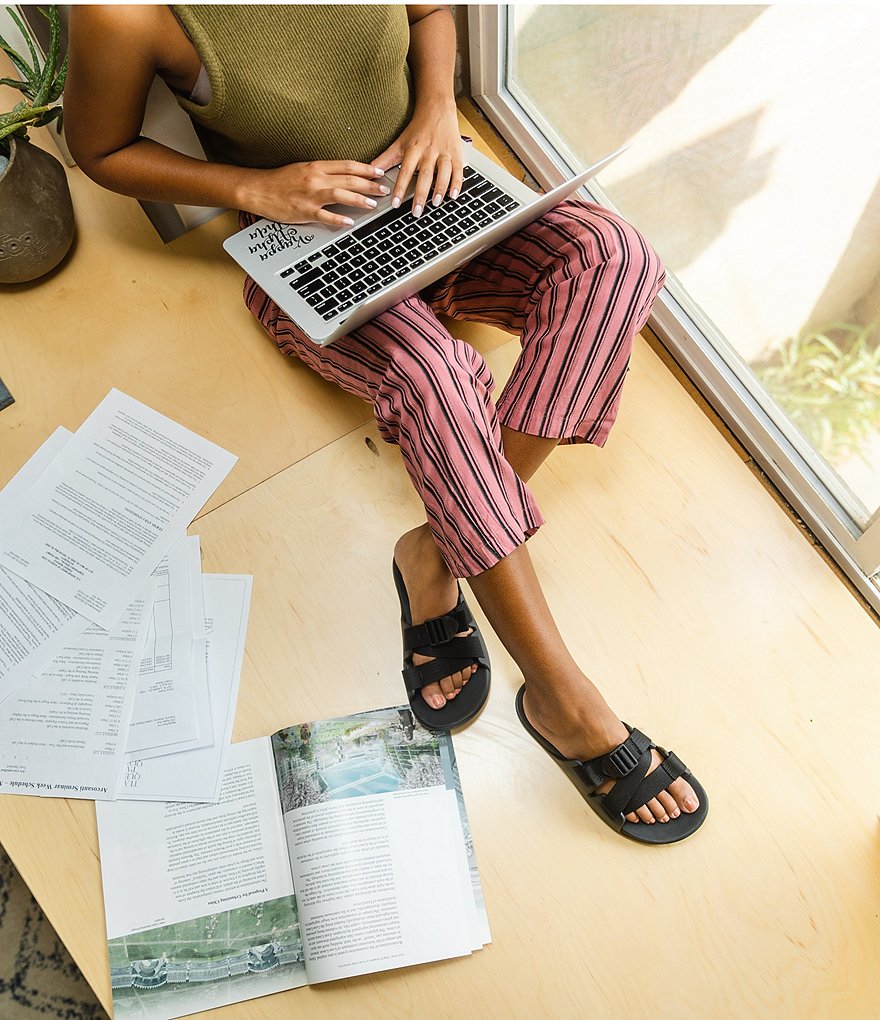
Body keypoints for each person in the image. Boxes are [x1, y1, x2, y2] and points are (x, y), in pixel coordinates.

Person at [65, 4, 706, 844]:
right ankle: (557, 692)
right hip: (307, 242)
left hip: (435, 184)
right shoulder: (123, 12)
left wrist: (438, 104)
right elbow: (100, 150)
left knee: (616, 257)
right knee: (438, 377)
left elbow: (431, 6)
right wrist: (253, 188)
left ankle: (437, 547)